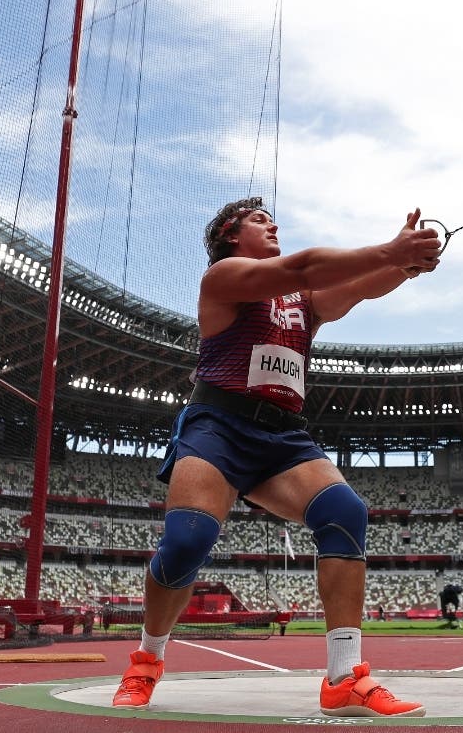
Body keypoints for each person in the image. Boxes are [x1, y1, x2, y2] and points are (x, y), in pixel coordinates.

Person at [112, 198, 440, 717]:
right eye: (260, 221)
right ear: (228, 232)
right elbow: (304, 264)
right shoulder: (225, 276)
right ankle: (147, 659)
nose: (273, 226)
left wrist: (404, 264)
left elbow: (359, 287)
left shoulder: (303, 298)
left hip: (283, 437)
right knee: (187, 541)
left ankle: (343, 678)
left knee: (346, 512)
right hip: (218, 425)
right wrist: (388, 249)